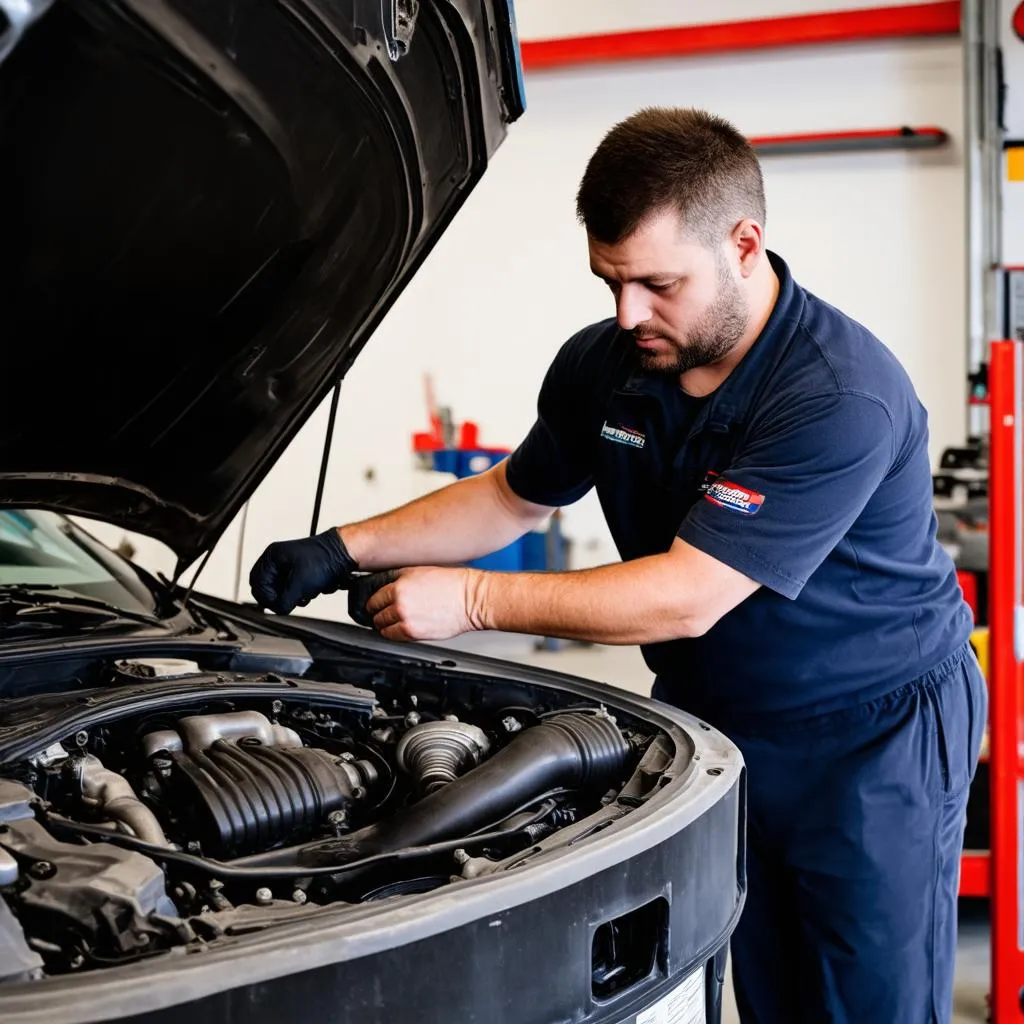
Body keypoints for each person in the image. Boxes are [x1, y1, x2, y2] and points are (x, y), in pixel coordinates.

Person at [249, 107, 986, 1022]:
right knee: (758, 986)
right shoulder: (609, 363)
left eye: (656, 285)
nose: (628, 313)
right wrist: (342, 547)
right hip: (722, 724)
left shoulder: (838, 392)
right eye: (610, 283)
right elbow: (514, 496)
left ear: (745, 244)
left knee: (867, 1002)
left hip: (871, 737)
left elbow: (686, 596)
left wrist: (475, 599)